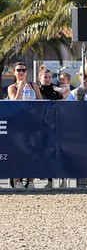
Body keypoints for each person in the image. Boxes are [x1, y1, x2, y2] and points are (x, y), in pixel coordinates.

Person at [7, 61, 41, 189]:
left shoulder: (33, 85)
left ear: (27, 72)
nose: (21, 72)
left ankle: (31, 180)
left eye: (23, 70)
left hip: (32, 123)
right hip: (18, 124)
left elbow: (40, 101)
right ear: (15, 73)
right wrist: (20, 88)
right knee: (18, 151)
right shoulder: (12, 87)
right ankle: (17, 180)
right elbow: (13, 103)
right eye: (18, 70)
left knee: (31, 151)